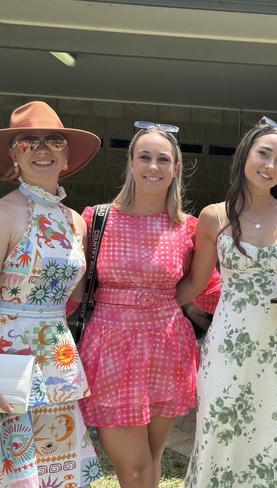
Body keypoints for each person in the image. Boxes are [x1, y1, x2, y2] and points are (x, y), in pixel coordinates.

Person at [0, 101, 103, 487]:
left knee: (55, 474)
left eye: (53, 141)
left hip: (55, 363)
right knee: (3, 474)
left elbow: (71, 297)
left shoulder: (75, 223)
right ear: (13, 156)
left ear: (66, 157)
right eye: (28, 142)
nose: (42, 149)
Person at [76, 121, 220, 488]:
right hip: (110, 347)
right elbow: (72, 284)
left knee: (152, 461)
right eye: (145, 157)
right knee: (134, 467)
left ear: (176, 168)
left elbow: (203, 285)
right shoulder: (98, 219)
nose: (153, 167)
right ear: (131, 163)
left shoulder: (186, 226)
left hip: (166, 348)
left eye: (162, 159)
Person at [179, 117, 277, 487]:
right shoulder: (213, 216)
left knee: (271, 433)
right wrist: (155, 305)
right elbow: (196, 281)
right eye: (264, 154)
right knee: (219, 431)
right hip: (227, 346)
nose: (270, 166)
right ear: (245, 155)